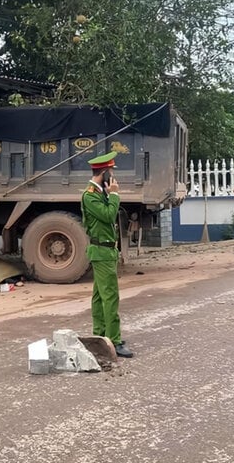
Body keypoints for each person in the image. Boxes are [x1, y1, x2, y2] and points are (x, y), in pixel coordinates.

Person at [81, 151, 133, 358]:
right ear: (103, 173)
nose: (112, 176)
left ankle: (100, 335)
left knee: (99, 296)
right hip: (101, 251)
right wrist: (115, 195)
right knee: (110, 296)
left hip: (106, 250)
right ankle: (115, 340)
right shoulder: (90, 195)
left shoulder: (99, 193)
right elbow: (108, 215)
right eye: (110, 172)